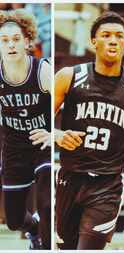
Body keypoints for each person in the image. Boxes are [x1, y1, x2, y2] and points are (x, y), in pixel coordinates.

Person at [54, 11, 124, 249]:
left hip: (107, 185)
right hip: (69, 179)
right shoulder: (69, 77)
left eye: (119, 36)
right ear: (94, 41)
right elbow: (39, 120)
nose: (113, 40)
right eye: (106, 35)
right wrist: (57, 135)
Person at [0, 9, 51, 250]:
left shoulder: (42, 70)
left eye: (16, 39)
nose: (10, 45)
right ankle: (34, 229)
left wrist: (54, 135)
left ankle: (47, 240)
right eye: (4, 40)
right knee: (13, 221)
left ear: (28, 42)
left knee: (47, 205)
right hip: (13, 148)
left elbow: (68, 102)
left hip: (42, 144)